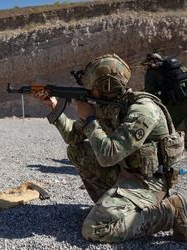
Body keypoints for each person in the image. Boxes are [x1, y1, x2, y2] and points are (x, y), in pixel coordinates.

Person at [33, 54, 187, 243]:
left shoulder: (143, 110)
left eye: (92, 86)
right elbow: (73, 137)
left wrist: (90, 120)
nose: (88, 90)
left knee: (95, 229)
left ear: (106, 86)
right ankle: (112, 205)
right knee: (77, 151)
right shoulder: (107, 105)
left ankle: (171, 211)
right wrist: (54, 107)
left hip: (149, 184)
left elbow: (109, 155)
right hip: (126, 173)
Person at [141, 52, 187, 144]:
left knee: (168, 129)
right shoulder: (177, 67)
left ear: (149, 63)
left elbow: (149, 94)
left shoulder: (152, 71)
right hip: (184, 97)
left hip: (175, 103)